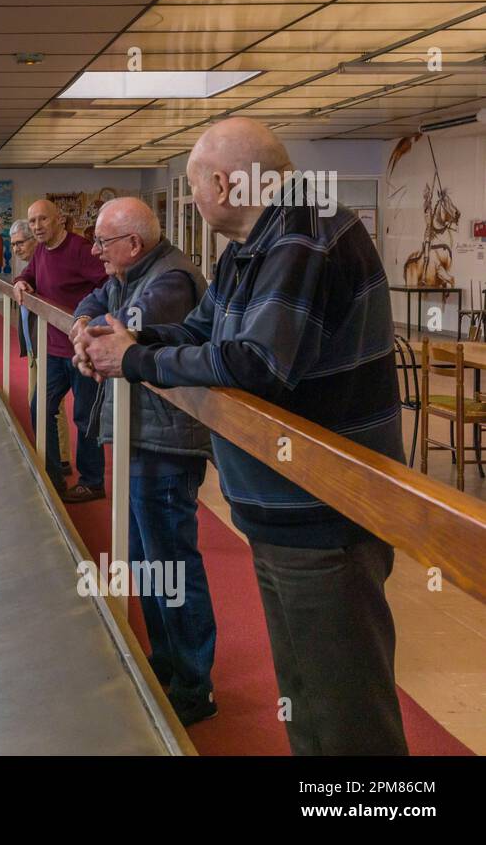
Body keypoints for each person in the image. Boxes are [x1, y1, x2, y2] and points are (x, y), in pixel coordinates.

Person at [81, 118, 408, 755]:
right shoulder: (249, 249)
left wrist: (136, 361)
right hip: (279, 511)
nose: (193, 202)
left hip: (325, 514)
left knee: (347, 715)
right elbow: (201, 334)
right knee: (308, 698)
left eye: (195, 185)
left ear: (225, 183)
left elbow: (256, 364)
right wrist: (127, 341)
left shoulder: (304, 235)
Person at [69, 198, 217, 726]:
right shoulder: (131, 273)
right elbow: (95, 304)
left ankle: (195, 685)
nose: (95, 251)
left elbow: (124, 337)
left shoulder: (171, 281)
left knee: (171, 563)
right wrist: (85, 326)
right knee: (147, 563)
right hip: (139, 435)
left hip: (166, 443)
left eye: (103, 243)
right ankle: (167, 664)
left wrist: (90, 339)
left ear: (132, 243)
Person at [13, 199, 108, 501]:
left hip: (82, 351)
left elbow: (107, 285)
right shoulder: (40, 250)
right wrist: (20, 282)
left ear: (59, 221)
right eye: (32, 222)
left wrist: (88, 317)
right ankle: (54, 476)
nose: (37, 227)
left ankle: (92, 482)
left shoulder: (81, 250)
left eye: (43, 220)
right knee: (40, 408)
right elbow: (29, 274)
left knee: (84, 417)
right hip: (54, 348)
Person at [11, 220, 71, 475]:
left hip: (52, 345)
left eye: (20, 243)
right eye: (12, 244)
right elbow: (26, 277)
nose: (16, 249)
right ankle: (51, 455)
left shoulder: (49, 264)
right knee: (36, 400)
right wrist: (20, 280)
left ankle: (60, 460)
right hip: (37, 346)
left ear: (35, 242)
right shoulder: (34, 266)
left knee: (47, 404)